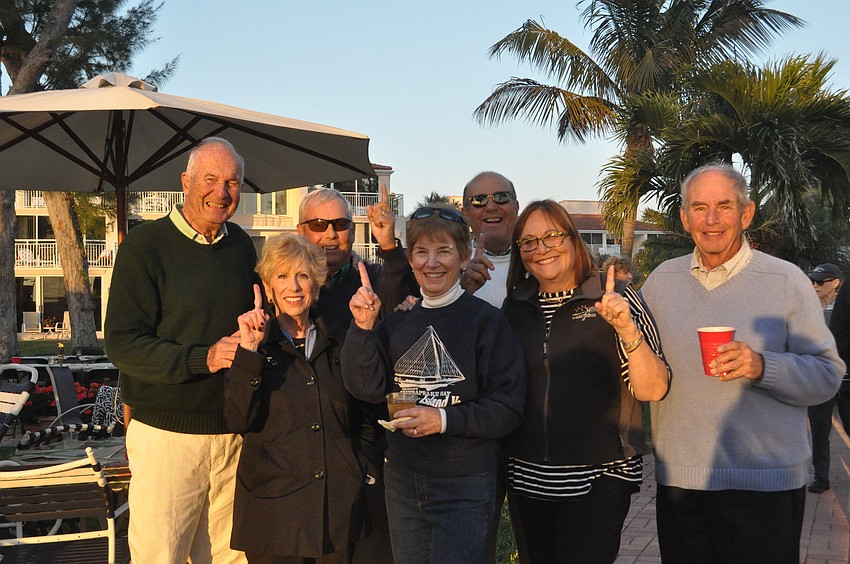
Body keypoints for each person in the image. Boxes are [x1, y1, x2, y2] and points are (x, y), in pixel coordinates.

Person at [640, 163, 844, 563]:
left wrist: (762, 366)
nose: (711, 219)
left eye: (724, 206)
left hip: (766, 487)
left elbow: (827, 374)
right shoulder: (661, 282)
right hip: (683, 485)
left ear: (746, 214)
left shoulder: (786, 281)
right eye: (699, 207)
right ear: (684, 218)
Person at [341, 203, 526, 564]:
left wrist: (441, 419)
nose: (432, 263)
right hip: (402, 479)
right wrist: (363, 328)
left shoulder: (487, 323)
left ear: (464, 256)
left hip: (465, 481)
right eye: (422, 252)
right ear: (410, 259)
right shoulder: (397, 322)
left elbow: (507, 409)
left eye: (444, 251)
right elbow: (366, 387)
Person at [105, 137, 257, 563]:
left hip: (232, 436)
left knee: (231, 557)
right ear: (186, 182)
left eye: (232, 182)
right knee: (162, 556)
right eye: (210, 179)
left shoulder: (241, 247)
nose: (222, 192)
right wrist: (204, 357)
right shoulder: (145, 246)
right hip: (167, 438)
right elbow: (122, 343)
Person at [501, 200, 670, 563]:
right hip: (528, 479)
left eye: (551, 236)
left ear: (572, 239)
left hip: (601, 476)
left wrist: (625, 328)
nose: (541, 249)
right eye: (528, 242)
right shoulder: (515, 306)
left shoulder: (616, 298)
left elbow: (654, 388)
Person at [225, 234, 378, 563]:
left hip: (335, 514)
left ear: (317, 286)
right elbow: (238, 419)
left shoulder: (341, 341)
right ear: (268, 288)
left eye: (303, 276)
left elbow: (367, 414)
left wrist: (358, 471)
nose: (293, 287)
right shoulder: (253, 344)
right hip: (272, 517)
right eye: (282, 276)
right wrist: (249, 352)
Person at [297, 185, 417, 564]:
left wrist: (388, 243)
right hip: (305, 444)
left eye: (341, 224)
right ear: (301, 230)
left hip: (363, 438)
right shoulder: (287, 286)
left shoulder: (374, 275)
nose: (330, 234)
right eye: (319, 224)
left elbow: (406, 298)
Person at [808, 263, 848, 493]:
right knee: (819, 430)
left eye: (820, 281)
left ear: (836, 283)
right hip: (818, 380)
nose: (815, 286)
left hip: (845, 380)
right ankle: (821, 477)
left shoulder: (844, 308)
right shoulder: (807, 309)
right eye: (812, 281)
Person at [460, 171, 520, 307]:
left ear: (516, 207)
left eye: (501, 197)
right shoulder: (449, 266)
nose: (491, 207)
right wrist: (461, 290)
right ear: (466, 213)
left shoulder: (539, 260)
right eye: (479, 200)